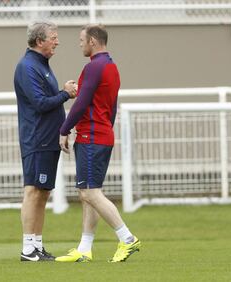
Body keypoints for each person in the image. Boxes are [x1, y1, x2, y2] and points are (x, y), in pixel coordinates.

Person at [56, 24, 141, 263]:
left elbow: (81, 103)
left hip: (91, 137)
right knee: (89, 193)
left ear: (93, 41)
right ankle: (84, 248)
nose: (79, 43)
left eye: (81, 39)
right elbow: (111, 107)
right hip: (102, 135)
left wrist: (64, 129)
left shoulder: (94, 67)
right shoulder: (111, 66)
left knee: (89, 192)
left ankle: (127, 239)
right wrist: (105, 129)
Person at [14, 21, 77, 262]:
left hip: (47, 139)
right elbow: (40, 103)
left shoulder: (41, 66)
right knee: (33, 191)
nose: (57, 41)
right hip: (37, 139)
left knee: (43, 192)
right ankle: (28, 248)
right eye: (53, 37)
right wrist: (65, 94)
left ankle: (36, 246)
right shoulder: (28, 66)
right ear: (40, 41)